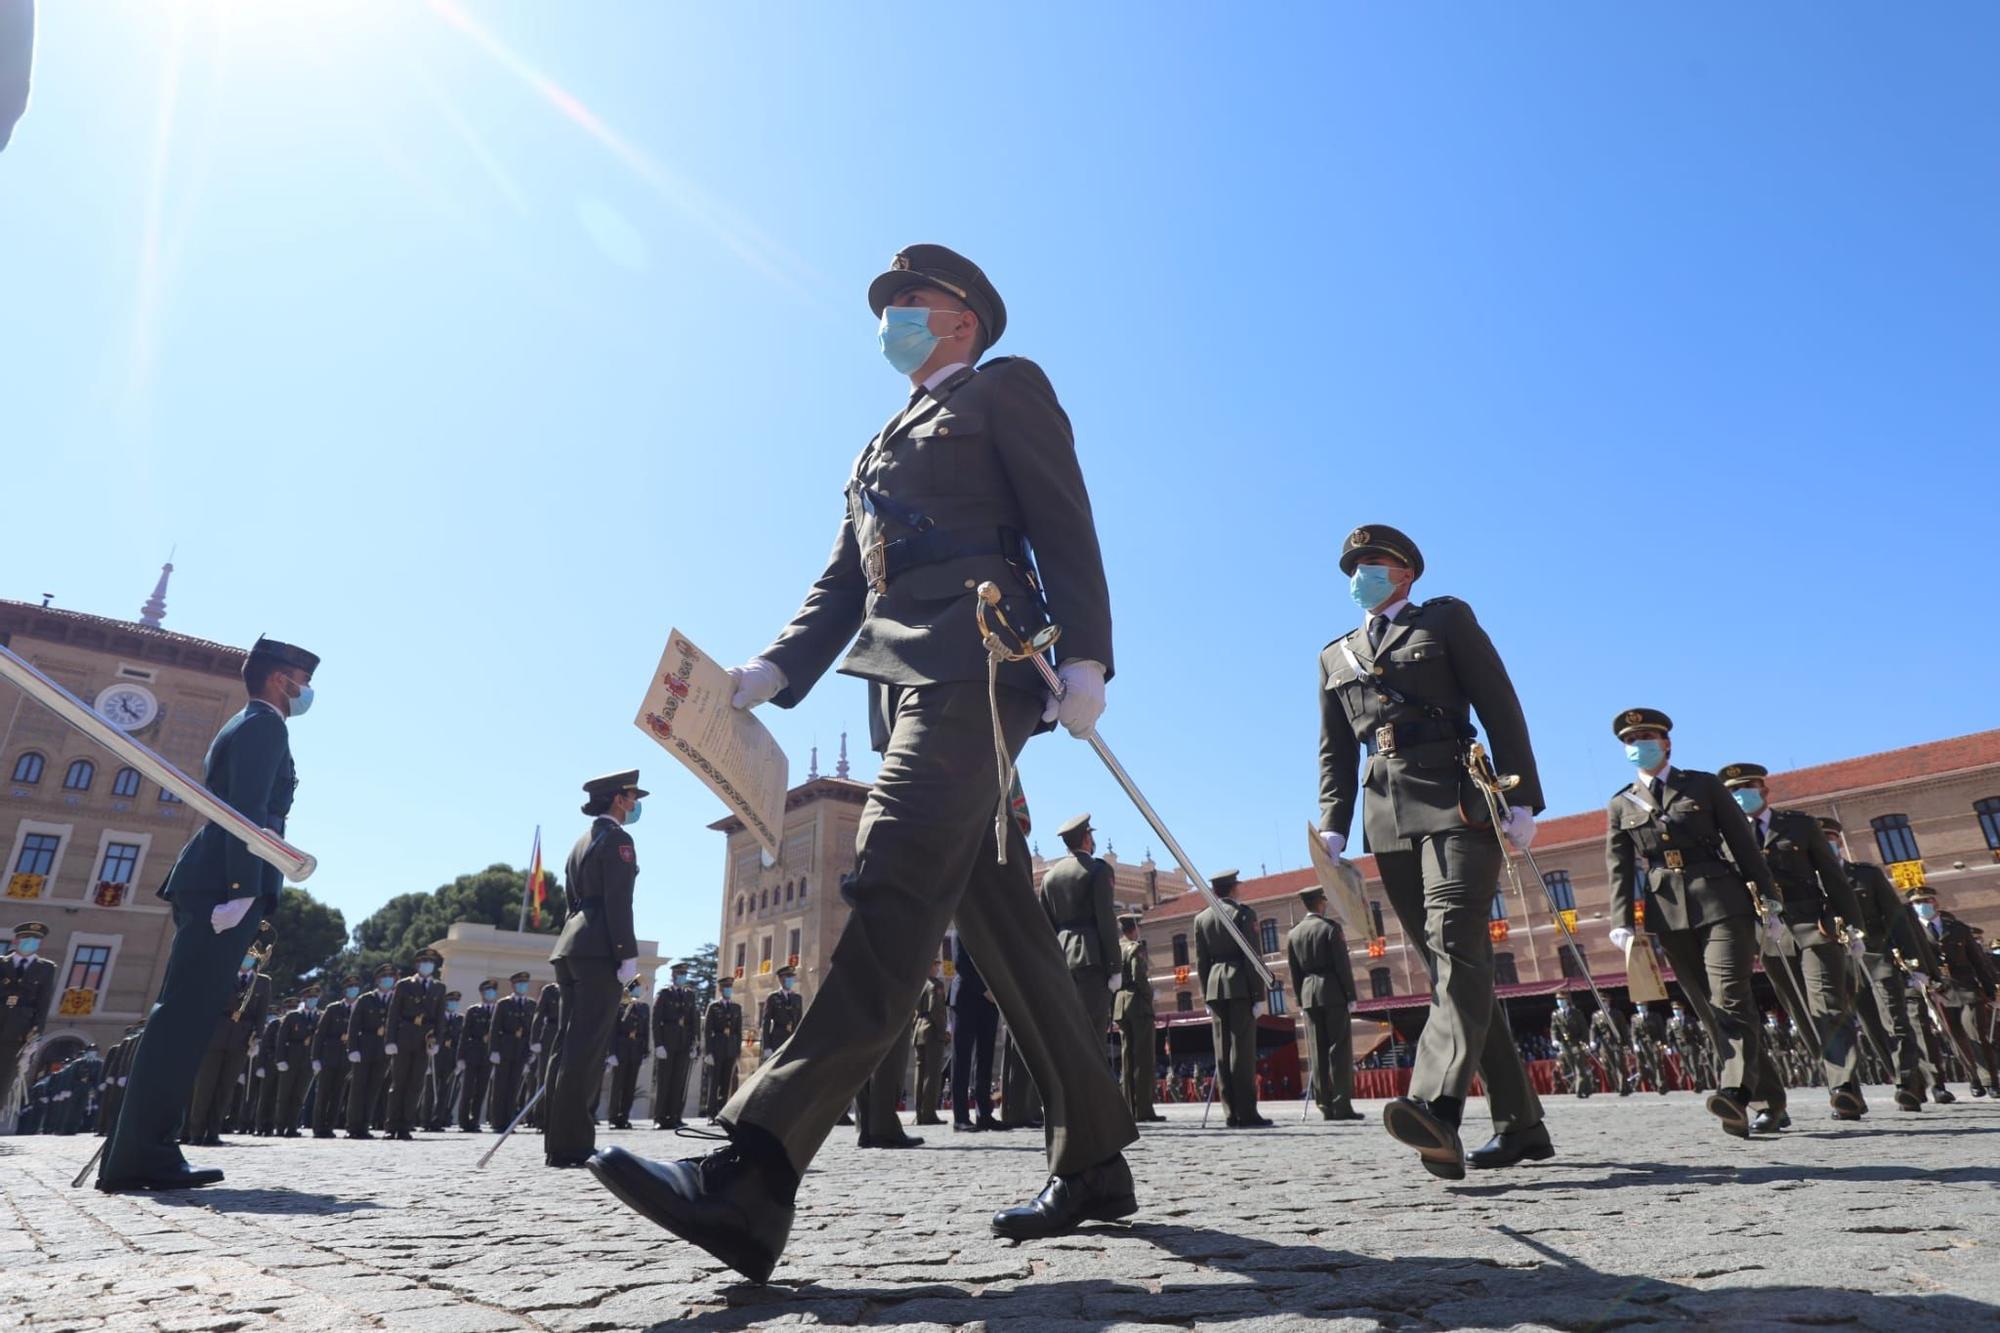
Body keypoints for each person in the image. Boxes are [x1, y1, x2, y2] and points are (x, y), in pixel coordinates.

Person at [588, 245, 1136, 1282]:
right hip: (899, 679)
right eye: (885, 307)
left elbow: (1065, 519)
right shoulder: (875, 444)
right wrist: (764, 671)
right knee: (1001, 924)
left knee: (888, 877)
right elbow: (842, 580)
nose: (889, 319)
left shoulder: (1004, 389)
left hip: (979, 663)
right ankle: (1096, 1157)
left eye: (907, 304)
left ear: (963, 319)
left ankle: (753, 1171)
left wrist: (1088, 654)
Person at [1317, 525, 1549, 1180]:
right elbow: (1335, 750)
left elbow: (1499, 702)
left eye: (1373, 562)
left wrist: (1523, 795)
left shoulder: (1445, 619)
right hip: (1386, 817)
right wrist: (1333, 825)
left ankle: (1434, 1104)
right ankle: (1522, 1124)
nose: (1361, 571)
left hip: (1455, 799)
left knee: (1453, 944)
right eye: (1353, 565)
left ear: (1405, 572)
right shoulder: (1334, 657)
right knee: (1455, 963)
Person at [97, 636, 316, 1191]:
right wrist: (241, 888)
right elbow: (244, 810)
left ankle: (142, 1150)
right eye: (300, 678)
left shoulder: (244, 722)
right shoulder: (265, 725)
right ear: (277, 679)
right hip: (223, 882)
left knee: (182, 1017)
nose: (306, 690)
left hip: (215, 878)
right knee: (183, 1018)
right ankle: (142, 1155)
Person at [1604, 708, 1788, 1138]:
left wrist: (1770, 900)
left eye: (1646, 737)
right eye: (1630, 741)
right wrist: (1620, 919)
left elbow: (1744, 845)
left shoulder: (1702, 785)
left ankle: (1735, 1094)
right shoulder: (1620, 803)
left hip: (1722, 900)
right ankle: (1770, 1101)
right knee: (1709, 1008)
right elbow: (1618, 865)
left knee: (1730, 994)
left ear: (1666, 743)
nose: (1638, 745)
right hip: (1667, 912)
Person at [1721, 763, 1869, 1119]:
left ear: (1764, 790)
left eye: (1748, 787)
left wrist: (1851, 924)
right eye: (1734, 791)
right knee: (1802, 1012)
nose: (1742, 794)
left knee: (1827, 1003)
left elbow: (1831, 875)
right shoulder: (1727, 839)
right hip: (1769, 932)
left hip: (1812, 923)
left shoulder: (1799, 825)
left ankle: (1843, 1087)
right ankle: (1842, 1083)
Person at [546, 771, 645, 1167]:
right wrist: (626, 952)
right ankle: (573, 1145)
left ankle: (558, 1140)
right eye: (633, 797)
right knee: (587, 1049)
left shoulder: (581, 841)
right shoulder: (619, 840)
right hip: (599, 948)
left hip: (571, 944)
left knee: (566, 1047)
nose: (637, 804)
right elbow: (619, 900)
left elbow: (573, 900)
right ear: (619, 800)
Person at [1039, 814, 1122, 1061]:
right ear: (1087, 838)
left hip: (1061, 961)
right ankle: (1093, 1098)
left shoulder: (1049, 878)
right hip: (1091, 959)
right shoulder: (1097, 870)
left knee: (1067, 1034)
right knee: (1093, 1036)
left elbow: (1046, 928)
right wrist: (1115, 967)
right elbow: (1106, 921)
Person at [184, 924, 273, 1146]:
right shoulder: (222, 973)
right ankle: (196, 1131)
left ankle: (214, 1131)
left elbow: (261, 1014)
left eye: (254, 955)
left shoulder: (262, 982)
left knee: (226, 1087)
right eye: (246, 954)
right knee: (205, 1085)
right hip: (215, 1034)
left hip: (241, 1038)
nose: (249, 958)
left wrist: (257, 1039)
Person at [1194, 870, 1266, 1129]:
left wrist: (1205, 993)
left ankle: (1230, 1111)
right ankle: (1246, 1112)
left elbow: (1201, 961)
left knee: (1222, 1052)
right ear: (1233, 889)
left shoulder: (1202, 918)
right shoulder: (1243, 914)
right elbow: (1252, 956)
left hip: (1214, 985)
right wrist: (1259, 994)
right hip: (1239, 984)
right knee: (1242, 1051)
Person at [1913, 886, 2000, 1095]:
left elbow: (1978, 960)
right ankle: (1974, 1078)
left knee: (1975, 1031)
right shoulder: (1913, 932)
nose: (1922, 905)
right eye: (1917, 903)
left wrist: (1991, 989)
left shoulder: (1958, 928)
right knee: (1956, 1037)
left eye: (1926, 900)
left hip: (1968, 988)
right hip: (1938, 991)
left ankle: (1991, 1080)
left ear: (1935, 903)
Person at [1286, 887, 1361, 1121]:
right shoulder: (1330, 928)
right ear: (1320, 903)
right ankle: (1342, 1104)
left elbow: (1294, 971)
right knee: (1339, 1049)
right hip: (1332, 992)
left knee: (1316, 1051)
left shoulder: (1294, 933)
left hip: (1309, 994)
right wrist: (1350, 995)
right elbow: (1342, 965)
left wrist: (1300, 998)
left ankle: (1324, 1104)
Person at [383, 947, 447, 1141]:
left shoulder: (439, 988)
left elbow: (439, 1018)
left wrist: (438, 1041)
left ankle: (406, 1125)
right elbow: (393, 1014)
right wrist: (390, 1040)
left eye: (431, 963)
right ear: (418, 964)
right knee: (399, 1083)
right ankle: (391, 1125)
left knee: (415, 1084)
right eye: (424, 962)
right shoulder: (404, 985)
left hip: (424, 1039)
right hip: (404, 1036)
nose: (427, 965)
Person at [0, 921, 57, 1114]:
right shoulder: (2, 963)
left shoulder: (46, 968)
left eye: (35, 940)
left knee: (6, 1075)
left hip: (20, 1031)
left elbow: (44, 1002)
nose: (30, 942)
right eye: (26, 939)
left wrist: (37, 1032)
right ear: (16, 940)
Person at [1112, 915, 1161, 1123]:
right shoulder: (1135, 948)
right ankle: (1144, 1109)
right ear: (1134, 929)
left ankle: (1129, 1108)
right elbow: (1138, 976)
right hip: (1138, 1005)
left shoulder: (1116, 949)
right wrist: (1151, 995)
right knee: (1143, 1058)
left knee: (1127, 1059)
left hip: (1120, 1004)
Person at [951, 938, 1001, 1131]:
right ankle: (961, 1117)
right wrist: (984, 990)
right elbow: (961, 964)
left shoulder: (986, 928)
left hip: (989, 1002)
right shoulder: (961, 929)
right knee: (962, 1059)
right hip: (966, 998)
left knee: (985, 1058)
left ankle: (984, 1114)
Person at [345, 963, 397, 1139]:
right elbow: (354, 1026)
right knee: (358, 1089)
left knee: (374, 1089)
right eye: (384, 977)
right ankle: (353, 1126)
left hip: (383, 1051)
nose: (388, 980)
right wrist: (352, 1048)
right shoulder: (366, 999)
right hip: (364, 1049)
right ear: (377, 980)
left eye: (391, 977)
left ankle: (365, 1125)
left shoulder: (396, 1000)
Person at [651, 964, 699, 1129]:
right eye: (680, 974)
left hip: (684, 1042)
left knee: (679, 1081)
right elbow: (656, 1020)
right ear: (673, 976)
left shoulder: (690, 995)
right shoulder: (664, 994)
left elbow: (694, 1021)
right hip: (667, 1041)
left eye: (685, 974)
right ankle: (660, 1117)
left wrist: (694, 1043)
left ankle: (675, 1116)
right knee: (664, 1081)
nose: (683, 977)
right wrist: (658, 1044)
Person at [311, 976, 358, 1138]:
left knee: (338, 1095)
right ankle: (318, 1127)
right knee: (323, 1094)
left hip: (346, 1060)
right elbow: (320, 1035)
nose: (353, 989)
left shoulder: (359, 1009)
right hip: (328, 1057)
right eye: (350, 987)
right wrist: (315, 1058)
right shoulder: (333, 1009)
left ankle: (329, 1126)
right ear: (344, 990)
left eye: (356, 987)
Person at [488, 971, 536, 1128]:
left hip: (521, 1050)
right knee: (500, 1087)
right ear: (513, 985)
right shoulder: (503, 1004)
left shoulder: (531, 1004)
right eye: (519, 983)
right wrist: (493, 1050)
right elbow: (494, 1029)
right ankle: (497, 1121)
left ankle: (509, 1122)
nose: (523, 986)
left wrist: (531, 1052)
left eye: (525, 983)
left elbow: (532, 1031)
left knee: (514, 1088)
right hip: (504, 1048)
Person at [271, 986, 318, 1137]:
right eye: (309, 998)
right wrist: (280, 1059)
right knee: (284, 1095)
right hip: (290, 1060)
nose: (312, 1000)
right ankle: (279, 1126)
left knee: (299, 1096)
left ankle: (292, 1126)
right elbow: (281, 1038)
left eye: (315, 998)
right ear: (304, 999)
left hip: (308, 1062)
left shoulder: (320, 1016)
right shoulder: (293, 1017)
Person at [911, 960, 951, 1125]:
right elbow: (937, 1011)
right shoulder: (936, 985)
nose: (938, 968)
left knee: (920, 1073)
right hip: (932, 1032)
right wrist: (944, 1033)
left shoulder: (918, 984)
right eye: (936, 965)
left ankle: (919, 1113)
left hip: (919, 1031)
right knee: (933, 1074)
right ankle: (928, 1114)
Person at [608, 978, 650, 1130]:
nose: (639, 991)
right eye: (636, 988)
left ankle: (624, 1116)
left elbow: (645, 1031)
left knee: (630, 1086)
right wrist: (611, 1052)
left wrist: (646, 1051)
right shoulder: (620, 1007)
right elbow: (612, 1030)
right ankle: (614, 1117)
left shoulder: (644, 1008)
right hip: (621, 1048)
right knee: (617, 1085)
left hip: (636, 1049)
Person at [456, 979, 498, 1131]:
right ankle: (463, 1121)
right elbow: (464, 1034)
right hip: (472, 1053)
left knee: (481, 1090)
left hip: (488, 1055)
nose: (490, 993)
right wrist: (460, 1057)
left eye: (492, 990)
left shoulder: (498, 1010)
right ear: (481, 994)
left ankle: (475, 1121)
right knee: (467, 1089)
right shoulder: (473, 1010)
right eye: (487, 991)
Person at [699, 978, 744, 1117]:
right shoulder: (714, 1007)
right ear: (720, 989)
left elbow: (738, 1030)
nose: (728, 989)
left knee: (726, 1083)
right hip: (717, 1048)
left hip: (730, 1048)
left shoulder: (736, 1007)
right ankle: (711, 1113)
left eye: (730, 987)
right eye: (725, 987)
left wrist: (737, 1049)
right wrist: (708, 1052)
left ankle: (722, 1113)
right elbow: (707, 1031)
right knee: (714, 1082)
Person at [760, 966, 804, 1067]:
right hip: (777, 1040)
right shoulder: (773, 997)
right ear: (780, 979)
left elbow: (800, 1022)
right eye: (787, 976)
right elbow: (766, 1022)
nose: (790, 979)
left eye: (791, 977)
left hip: (792, 1041)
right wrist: (766, 1047)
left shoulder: (797, 998)